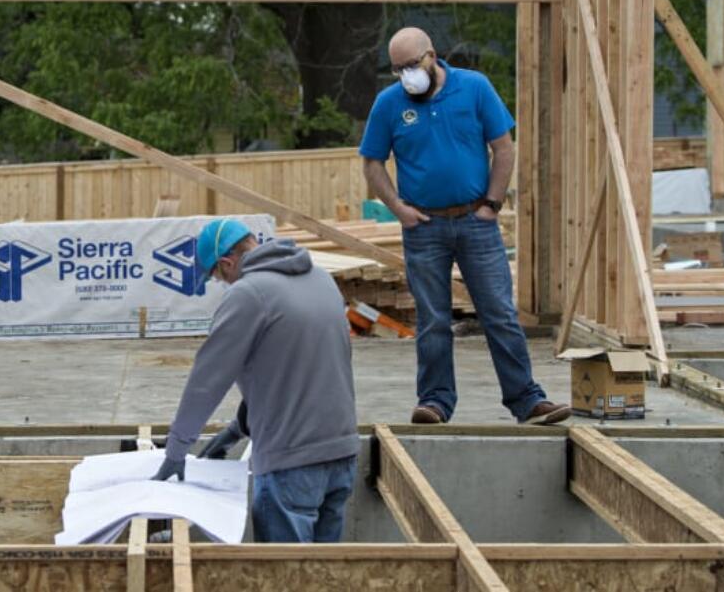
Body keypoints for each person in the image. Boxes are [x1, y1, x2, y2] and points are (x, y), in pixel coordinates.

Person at [359, 27, 569, 426]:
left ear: (432, 55)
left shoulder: (474, 88)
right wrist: (398, 207)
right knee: (434, 319)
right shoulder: (389, 104)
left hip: (475, 221)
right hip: (423, 226)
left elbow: (503, 146)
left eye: (412, 65)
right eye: (398, 69)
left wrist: (492, 202)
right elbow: (372, 162)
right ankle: (435, 402)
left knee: (499, 313)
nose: (407, 75)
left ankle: (526, 400)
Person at [152, 218, 359, 543]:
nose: (223, 283)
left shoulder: (248, 293)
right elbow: (299, 367)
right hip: (342, 454)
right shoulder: (321, 279)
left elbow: (207, 381)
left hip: (291, 463)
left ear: (227, 263)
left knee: (284, 577)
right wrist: (237, 429)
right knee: (324, 576)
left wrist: (177, 451)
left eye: (219, 277)